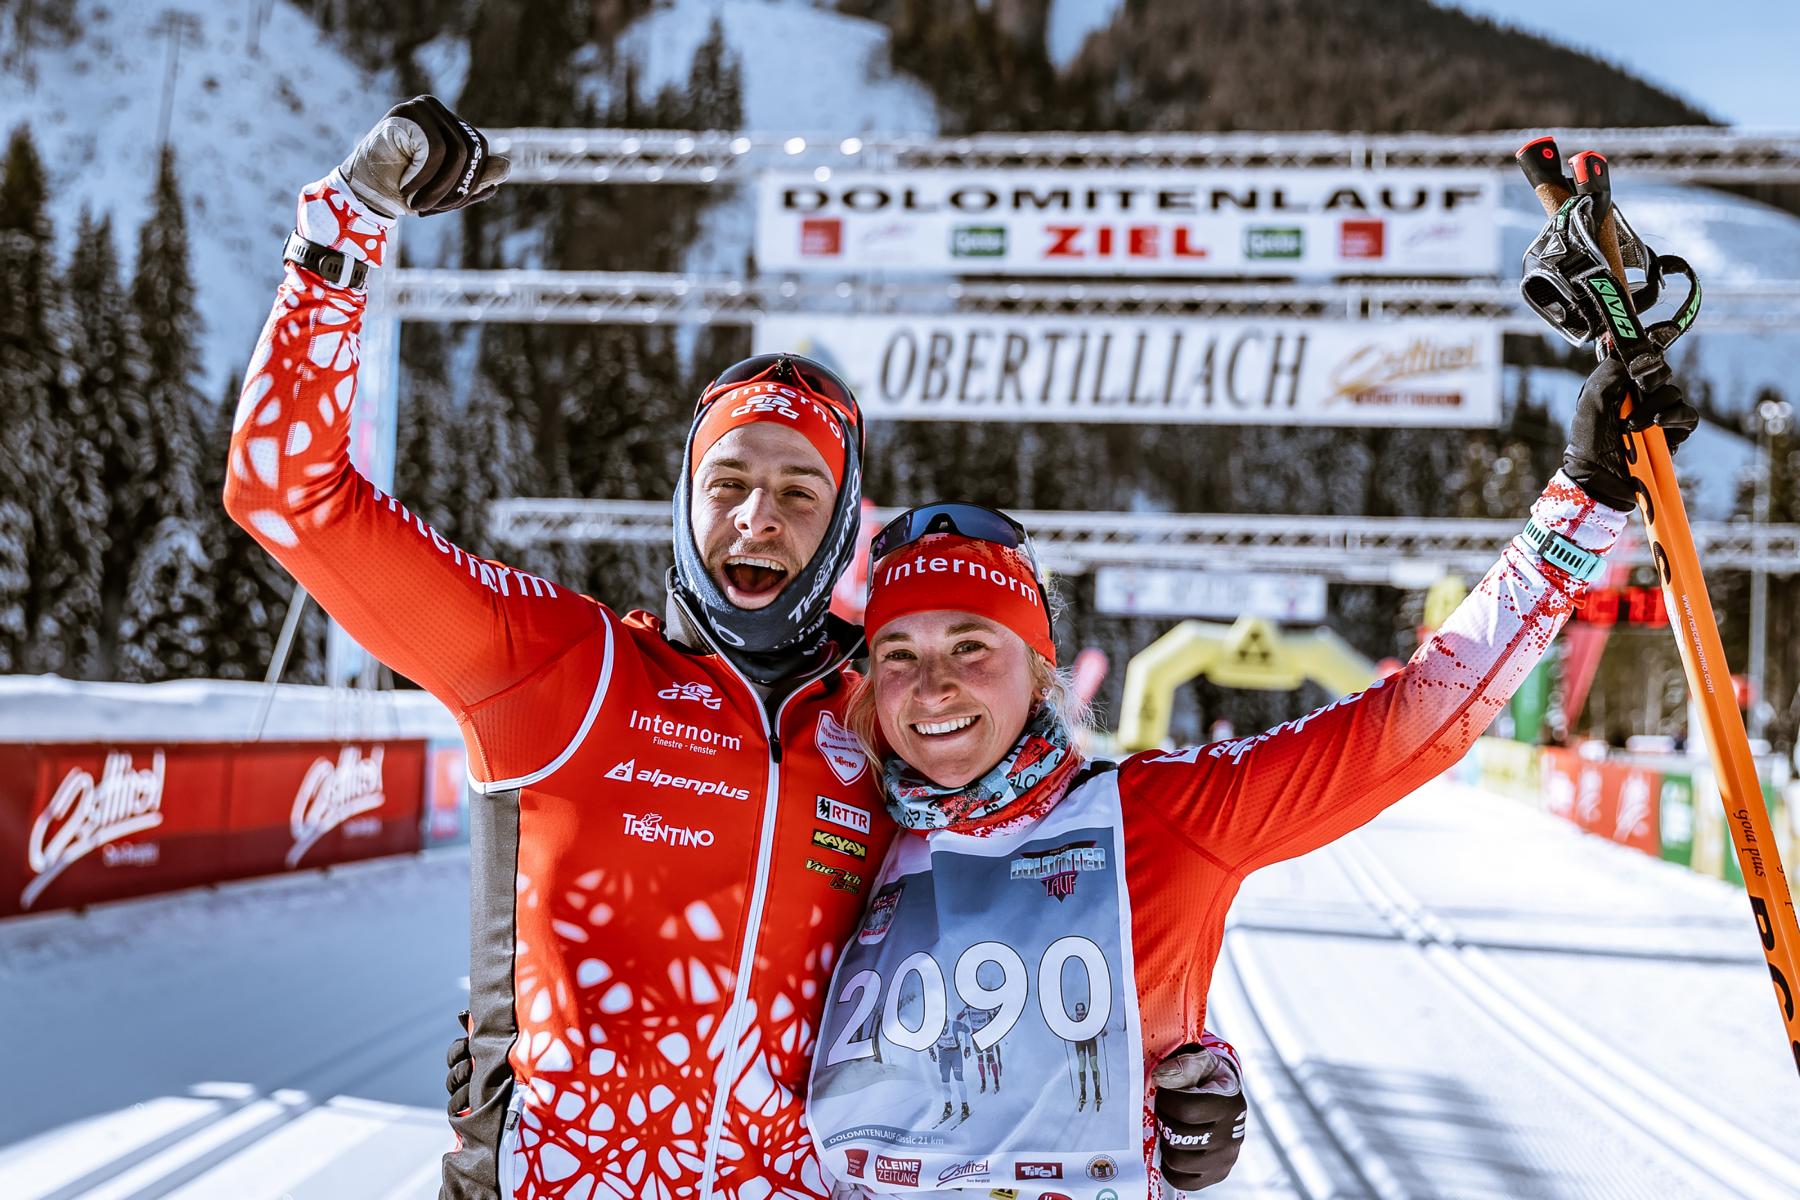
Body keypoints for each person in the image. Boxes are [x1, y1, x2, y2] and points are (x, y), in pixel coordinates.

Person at [227, 96, 1242, 1199]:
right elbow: (290, 496)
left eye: (800, 492)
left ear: (844, 521)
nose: (760, 519)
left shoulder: (889, 718)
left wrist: (1177, 1076)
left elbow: (1049, 908)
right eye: (730, 484)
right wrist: (346, 227)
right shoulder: (558, 668)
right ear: (684, 505)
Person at [806, 358, 1694, 1197]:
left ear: (1040, 669)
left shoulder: (1156, 815)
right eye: (898, 654)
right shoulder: (843, 819)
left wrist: (1588, 497)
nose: (933, 688)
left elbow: (1417, 719)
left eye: (971, 646)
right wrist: (1186, 1082)